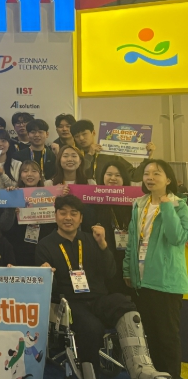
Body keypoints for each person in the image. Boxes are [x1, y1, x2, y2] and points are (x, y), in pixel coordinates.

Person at [36, 195, 169, 379]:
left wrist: (103, 245)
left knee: (126, 307)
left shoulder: (92, 240)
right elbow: (48, 289)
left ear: (81, 218)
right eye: (63, 213)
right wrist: (46, 274)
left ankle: (141, 368)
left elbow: (110, 272)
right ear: (55, 215)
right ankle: (91, 374)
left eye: (74, 213)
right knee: (92, 327)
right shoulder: (45, 245)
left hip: (98, 299)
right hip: (68, 303)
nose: (68, 217)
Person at [123, 160, 188, 379]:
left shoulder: (180, 205)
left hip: (166, 281)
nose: (150, 177)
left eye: (156, 173)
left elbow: (177, 238)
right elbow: (132, 239)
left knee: (167, 338)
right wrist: (127, 270)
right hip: (141, 280)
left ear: (168, 179)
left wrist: (167, 205)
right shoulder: (139, 203)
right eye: (147, 173)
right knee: (149, 337)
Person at [92, 160, 136, 295]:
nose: (113, 178)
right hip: (104, 255)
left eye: (118, 175)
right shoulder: (94, 200)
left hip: (128, 256)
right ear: (102, 176)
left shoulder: (133, 202)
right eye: (109, 174)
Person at [5, 160, 55, 267]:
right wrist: (11, 204)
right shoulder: (14, 194)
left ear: (40, 176)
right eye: (25, 171)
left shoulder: (50, 195)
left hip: (42, 246)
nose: (29, 174)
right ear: (20, 175)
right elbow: (5, 226)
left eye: (34, 171)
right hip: (18, 247)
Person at [70, 119, 154, 183]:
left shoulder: (108, 153)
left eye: (84, 134)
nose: (81, 138)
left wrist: (147, 158)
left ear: (93, 133)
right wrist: (89, 155)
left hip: (107, 197)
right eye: (77, 136)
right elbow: (76, 174)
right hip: (84, 197)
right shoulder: (73, 155)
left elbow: (134, 176)